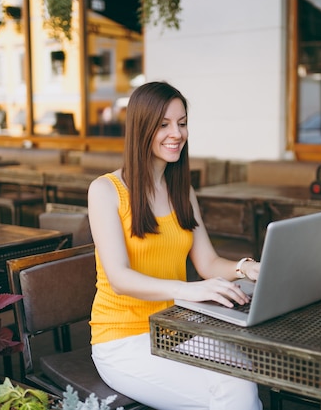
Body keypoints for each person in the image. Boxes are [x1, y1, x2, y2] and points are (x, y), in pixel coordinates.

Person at [88, 81, 263, 410]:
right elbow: (120, 278)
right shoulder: (105, 190)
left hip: (177, 327)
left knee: (242, 374)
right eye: (164, 124)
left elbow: (208, 263)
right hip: (124, 339)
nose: (177, 133)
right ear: (142, 127)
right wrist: (188, 290)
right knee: (232, 392)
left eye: (182, 123)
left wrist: (245, 268)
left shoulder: (182, 191)